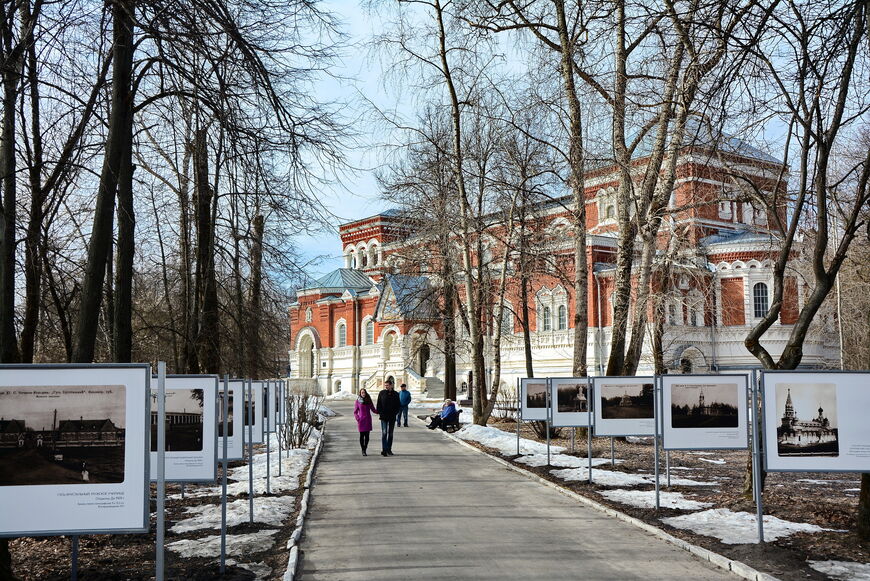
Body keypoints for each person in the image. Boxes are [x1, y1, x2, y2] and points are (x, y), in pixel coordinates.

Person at [376, 379, 401, 456]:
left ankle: (389, 449)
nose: (386, 386)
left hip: (392, 417)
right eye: (385, 385)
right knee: (384, 433)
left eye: (387, 385)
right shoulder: (382, 393)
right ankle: (384, 450)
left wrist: (395, 413)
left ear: (391, 385)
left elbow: (398, 406)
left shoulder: (396, 394)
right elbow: (378, 404)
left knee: (390, 434)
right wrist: (380, 412)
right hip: (383, 417)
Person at [353, 388, 377, 456]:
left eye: (364, 392)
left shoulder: (369, 400)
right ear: (360, 393)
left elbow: (373, 409)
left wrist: (380, 411)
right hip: (361, 420)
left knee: (367, 436)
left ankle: (365, 448)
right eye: (362, 392)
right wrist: (358, 418)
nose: (363, 393)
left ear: (366, 393)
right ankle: (363, 450)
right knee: (361, 436)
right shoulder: (358, 401)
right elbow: (355, 412)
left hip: (368, 420)